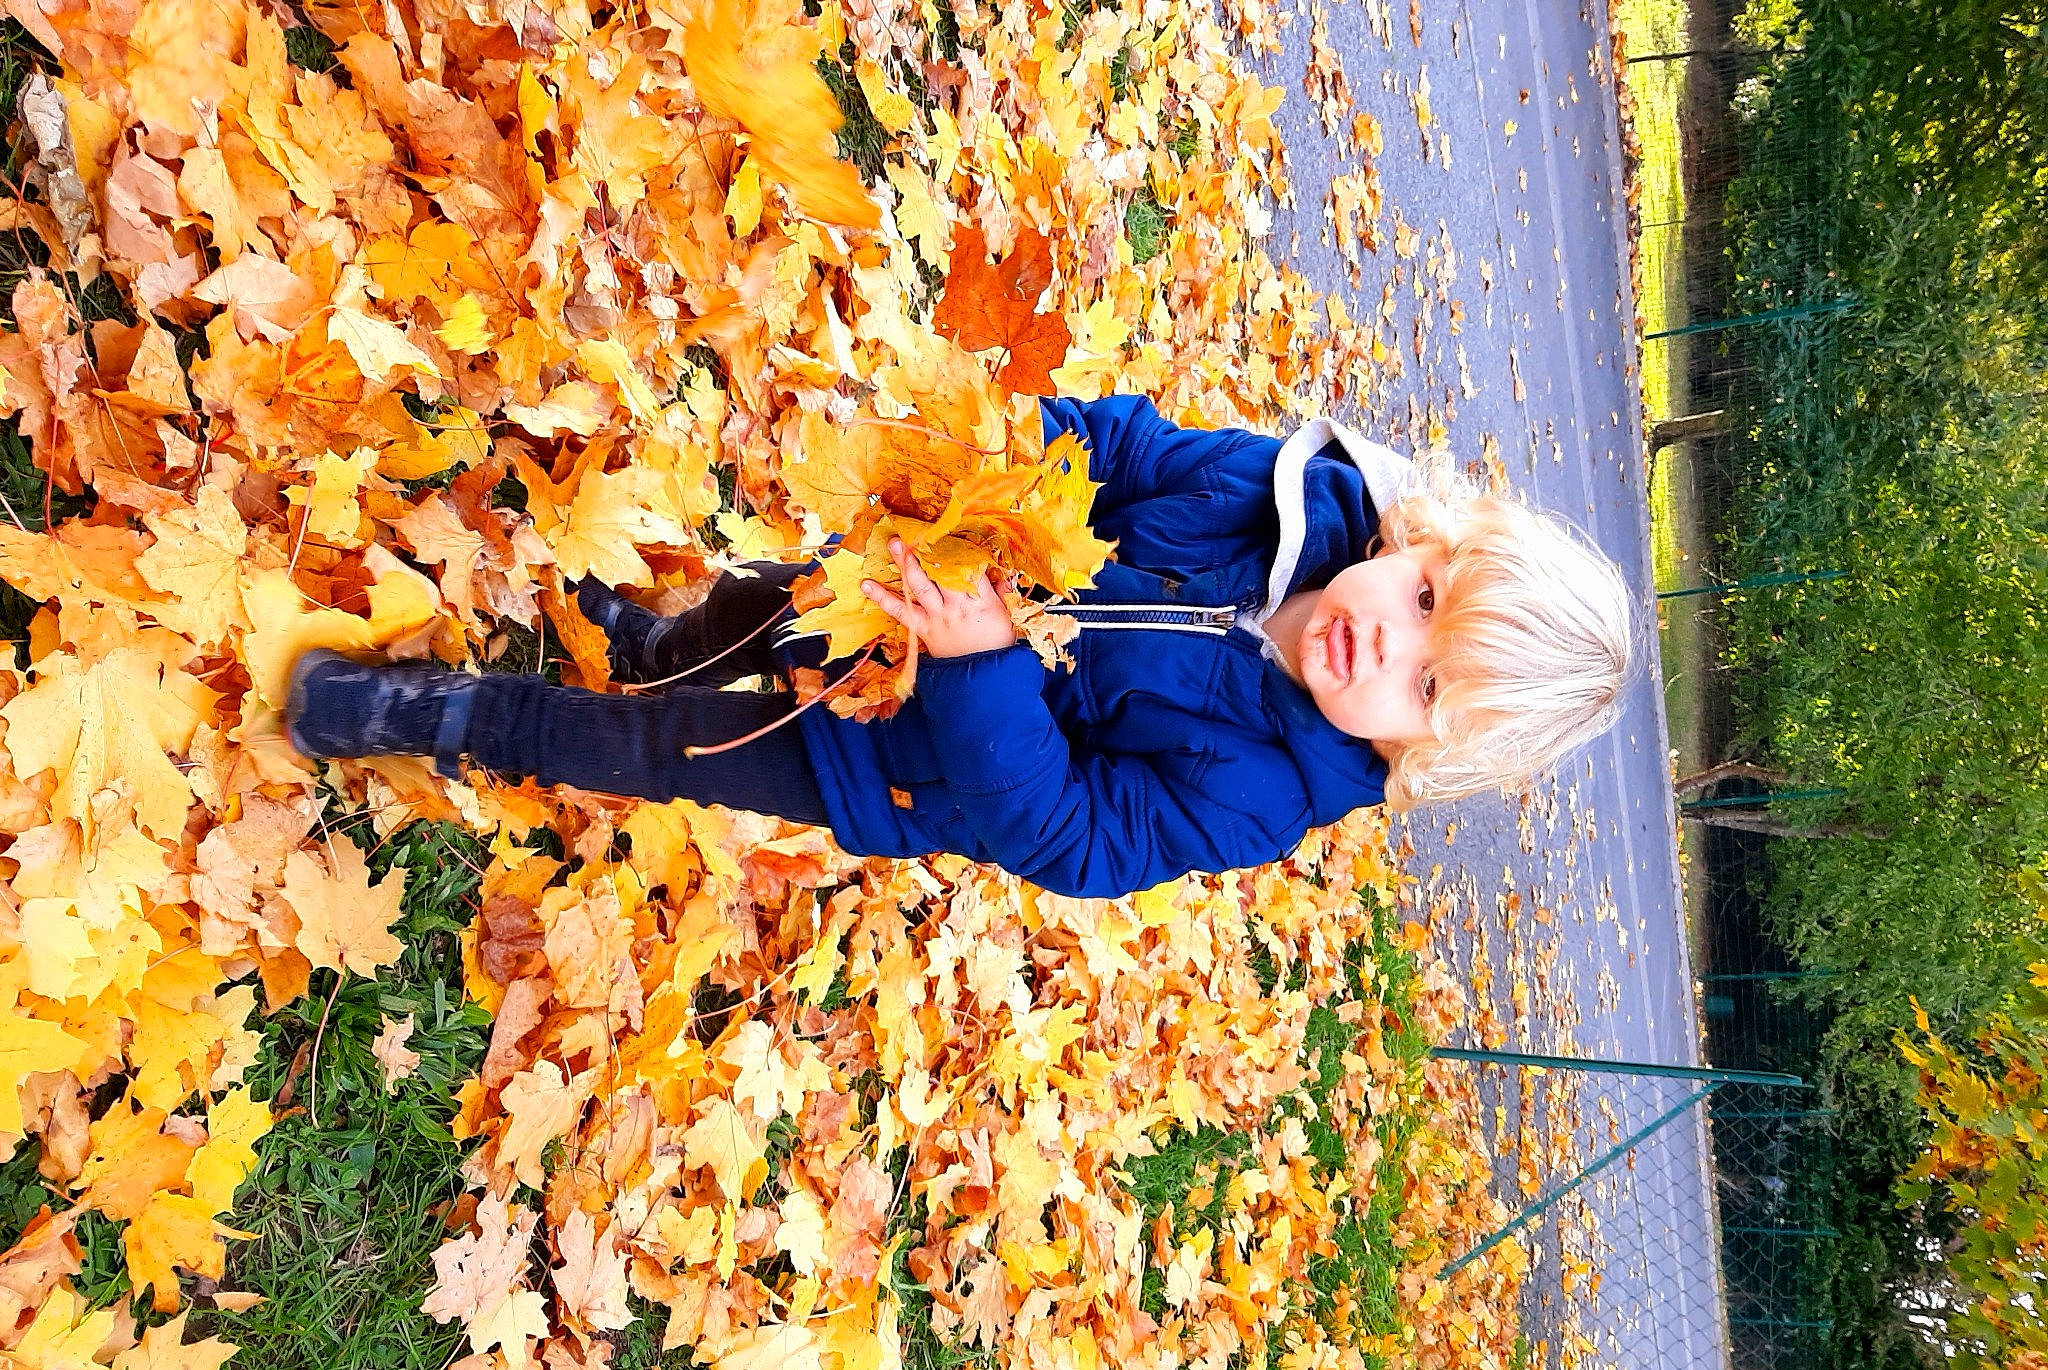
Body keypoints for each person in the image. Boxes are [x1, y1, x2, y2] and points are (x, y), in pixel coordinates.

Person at [286, 395, 1638, 899]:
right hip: (907, 584)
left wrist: (986, 663)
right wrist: (1014, 480)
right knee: (751, 608)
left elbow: (1070, 835)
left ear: (1422, 747)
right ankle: (662, 645)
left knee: (655, 752)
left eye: (1422, 684)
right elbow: (1120, 449)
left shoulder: (1265, 791)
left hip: (890, 761)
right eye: (1419, 605)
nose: (1377, 645)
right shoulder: (1275, 497)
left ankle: (445, 716)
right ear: (1423, 543)